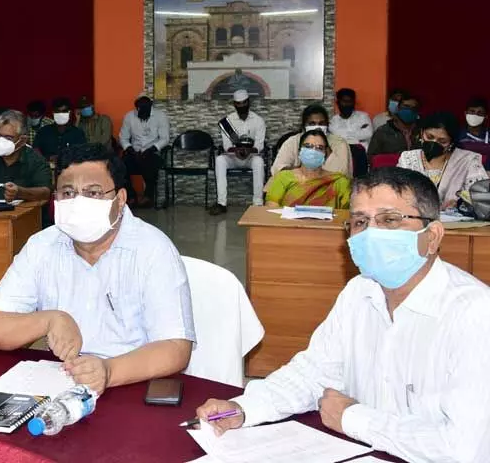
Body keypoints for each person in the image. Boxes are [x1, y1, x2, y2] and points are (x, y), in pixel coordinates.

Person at [196, 167, 490, 462]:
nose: (372, 233)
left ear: (433, 236)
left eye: (390, 220)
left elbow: (465, 449)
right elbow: (314, 374)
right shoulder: (359, 292)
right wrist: (246, 408)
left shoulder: (474, 314)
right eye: (361, 222)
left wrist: (351, 418)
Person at [0, 143, 194, 396]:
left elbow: (176, 348)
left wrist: (108, 371)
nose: (78, 203)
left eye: (93, 193)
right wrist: (50, 319)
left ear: (120, 199)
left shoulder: (153, 249)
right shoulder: (42, 246)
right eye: (68, 193)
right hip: (63, 383)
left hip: (133, 382)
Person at [397, 112, 487, 210]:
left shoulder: (468, 160)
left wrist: (460, 204)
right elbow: (397, 192)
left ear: (451, 142)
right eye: (430, 137)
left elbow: (481, 198)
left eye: (442, 141)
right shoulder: (407, 158)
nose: (434, 143)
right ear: (422, 133)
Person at [210, 90, 266, 215]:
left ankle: (257, 203)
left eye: (244, 103)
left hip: (251, 157)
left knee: (259, 161)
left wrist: (247, 151)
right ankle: (221, 203)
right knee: (219, 160)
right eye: (238, 104)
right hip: (233, 157)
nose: (241, 106)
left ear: (248, 102)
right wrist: (238, 151)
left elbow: (259, 145)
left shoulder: (258, 120)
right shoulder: (227, 121)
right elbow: (227, 146)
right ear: (234, 104)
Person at [265, 130, 351, 209]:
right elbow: (272, 210)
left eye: (319, 148)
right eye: (308, 146)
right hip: (288, 225)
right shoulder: (283, 178)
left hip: (327, 225)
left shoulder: (339, 182)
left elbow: (346, 215)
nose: (313, 151)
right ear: (299, 151)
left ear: (326, 154)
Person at [271, 104, 352, 178]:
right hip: (298, 186)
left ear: (327, 125)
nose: (317, 127)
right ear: (304, 126)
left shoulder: (339, 143)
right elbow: (277, 169)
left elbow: (342, 173)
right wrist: (303, 172)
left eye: (321, 123)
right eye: (312, 124)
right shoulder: (293, 141)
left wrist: (326, 148)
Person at [120, 93, 170, 208]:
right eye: (138, 110)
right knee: (121, 166)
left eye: (144, 111)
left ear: (151, 107)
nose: (140, 113)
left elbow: (165, 139)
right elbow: (123, 138)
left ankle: (148, 196)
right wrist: (131, 150)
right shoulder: (129, 116)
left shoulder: (160, 116)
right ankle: (131, 196)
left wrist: (150, 150)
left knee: (149, 163)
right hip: (134, 151)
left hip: (153, 152)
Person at [33, 97, 87, 161]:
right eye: (58, 112)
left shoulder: (78, 133)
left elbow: (82, 153)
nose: (61, 114)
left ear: (69, 113)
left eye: (64, 111)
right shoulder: (43, 131)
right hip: (46, 168)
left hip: (70, 169)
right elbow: (35, 150)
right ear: (53, 113)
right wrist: (48, 158)